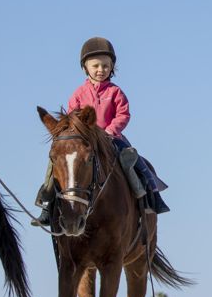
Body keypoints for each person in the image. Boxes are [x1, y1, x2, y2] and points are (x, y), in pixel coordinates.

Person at [32, 36, 169, 227]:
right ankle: (47, 205)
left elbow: (123, 114)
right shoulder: (79, 93)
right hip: (85, 140)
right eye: (95, 66)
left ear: (112, 68)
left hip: (111, 138)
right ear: (85, 68)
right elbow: (72, 118)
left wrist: (110, 131)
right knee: (56, 160)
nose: (100, 70)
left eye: (105, 66)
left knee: (133, 159)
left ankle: (151, 195)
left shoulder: (115, 92)